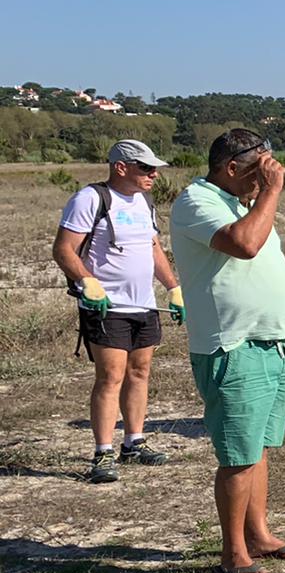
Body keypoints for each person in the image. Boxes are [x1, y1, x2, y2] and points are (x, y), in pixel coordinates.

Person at [169, 130, 285, 573]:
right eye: (261, 170)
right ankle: (233, 552)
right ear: (232, 167)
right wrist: (272, 192)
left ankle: (258, 535)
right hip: (232, 345)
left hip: (267, 340)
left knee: (257, 447)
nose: (268, 178)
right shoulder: (196, 200)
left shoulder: (244, 201)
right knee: (238, 453)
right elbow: (243, 244)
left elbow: (257, 255)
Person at [51, 139, 184, 483]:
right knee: (110, 377)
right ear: (120, 167)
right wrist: (86, 281)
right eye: (145, 168)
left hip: (143, 305)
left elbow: (153, 246)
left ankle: (134, 443)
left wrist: (173, 287)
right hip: (107, 306)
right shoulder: (90, 199)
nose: (153, 174)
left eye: (154, 168)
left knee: (140, 373)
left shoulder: (145, 201)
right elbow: (64, 249)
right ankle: (102, 452)